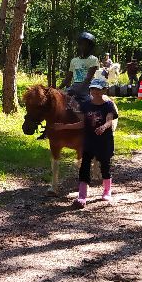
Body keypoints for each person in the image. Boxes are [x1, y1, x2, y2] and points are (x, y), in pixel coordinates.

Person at [53, 77, 119, 208]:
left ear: (104, 90)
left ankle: (107, 191)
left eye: (98, 89)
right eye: (93, 89)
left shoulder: (108, 105)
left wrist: (104, 127)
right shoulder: (86, 105)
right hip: (89, 141)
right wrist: (64, 126)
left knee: (105, 166)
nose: (95, 92)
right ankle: (82, 196)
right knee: (84, 166)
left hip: (104, 141)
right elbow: (82, 123)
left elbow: (109, 120)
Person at [63, 32, 99, 104]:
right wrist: (58, 88)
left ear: (90, 47)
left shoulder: (93, 59)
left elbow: (88, 78)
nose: (83, 46)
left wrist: (77, 89)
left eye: (86, 44)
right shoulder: (74, 60)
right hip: (75, 85)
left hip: (87, 86)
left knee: (86, 103)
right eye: (81, 44)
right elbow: (68, 77)